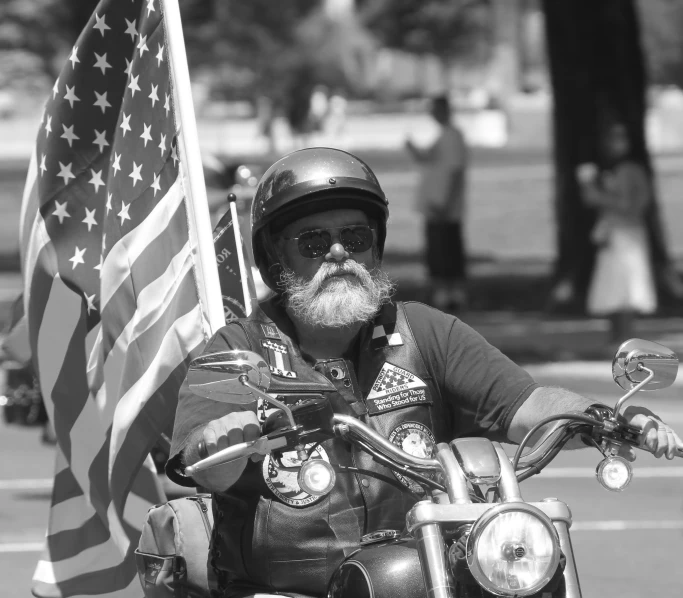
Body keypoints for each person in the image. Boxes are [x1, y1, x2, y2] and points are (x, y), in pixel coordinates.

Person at [166, 147, 681, 598]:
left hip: (429, 572)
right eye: (314, 243)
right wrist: (222, 440)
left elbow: (527, 405)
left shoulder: (423, 332)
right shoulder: (241, 348)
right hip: (280, 590)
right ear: (278, 259)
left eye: (355, 236)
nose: (340, 254)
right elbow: (207, 463)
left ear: (376, 245)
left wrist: (603, 417)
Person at [579, 123, 657, 343]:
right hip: (614, 233)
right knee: (613, 287)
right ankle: (616, 338)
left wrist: (594, 192)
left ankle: (625, 338)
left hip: (626, 234)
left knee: (626, 288)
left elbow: (627, 204)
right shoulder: (617, 169)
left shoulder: (629, 170)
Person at [405, 94, 468, 311]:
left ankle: (452, 294)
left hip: (445, 206)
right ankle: (440, 291)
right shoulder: (443, 135)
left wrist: (447, 202)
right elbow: (429, 158)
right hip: (434, 204)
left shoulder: (453, 136)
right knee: (437, 250)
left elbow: (455, 172)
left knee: (448, 250)